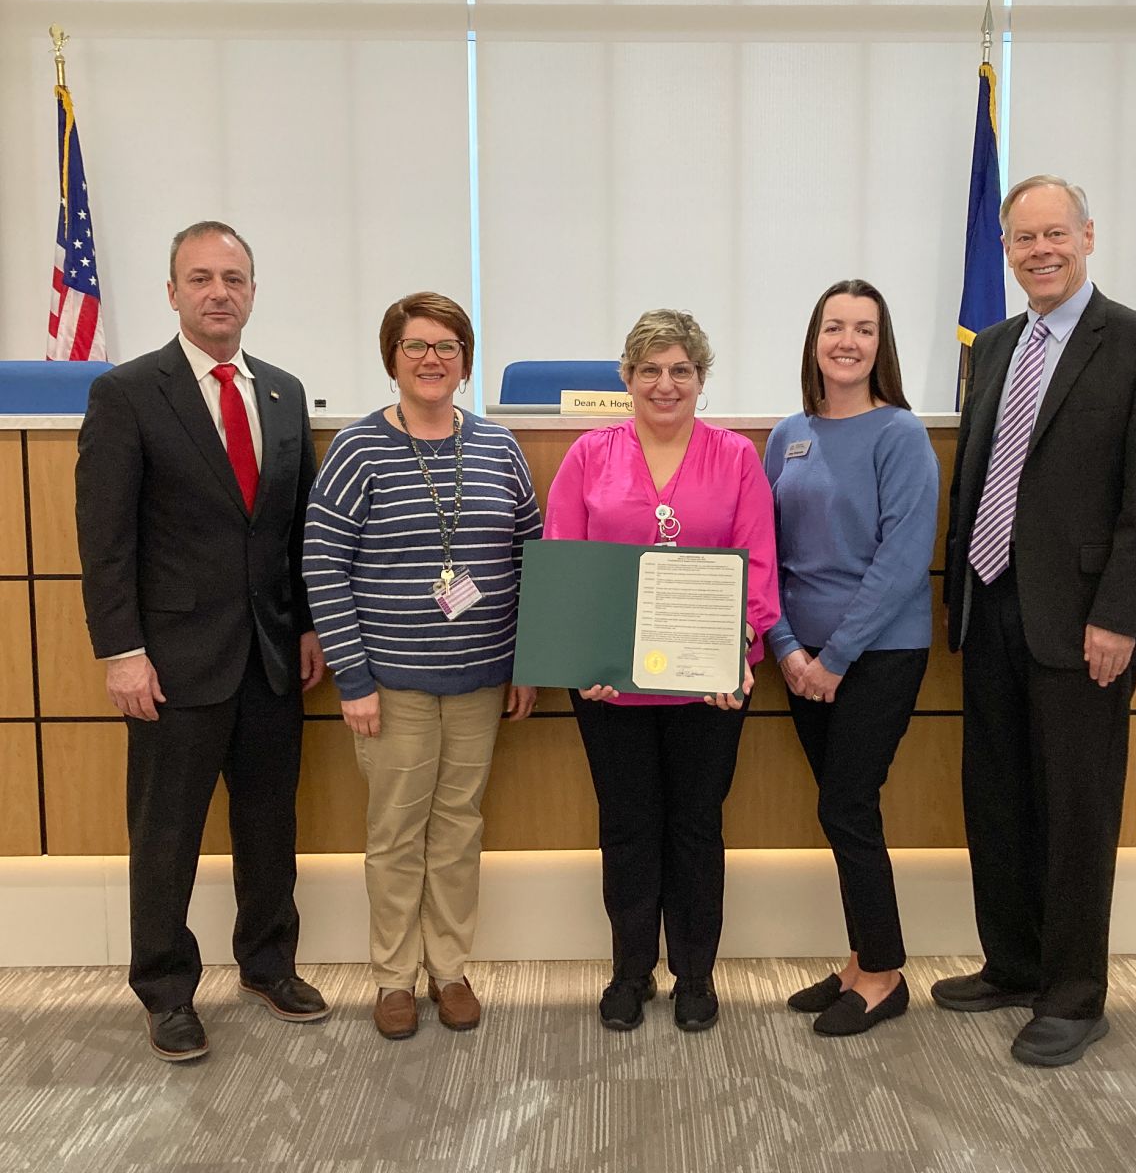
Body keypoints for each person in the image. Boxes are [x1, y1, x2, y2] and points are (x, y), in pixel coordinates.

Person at [935, 175, 1136, 1066]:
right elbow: (979, 477)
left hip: (1084, 621)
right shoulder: (998, 343)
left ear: (1087, 235)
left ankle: (1075, 994)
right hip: (991, 601)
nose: (1038, 251)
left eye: (1054, 234)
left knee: (1077, 808)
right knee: (997, 795)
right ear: (1004, 250)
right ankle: (1012, 962)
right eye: (1021, 239)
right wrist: (957, 598)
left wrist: (1119, 615)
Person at [75, 221, 328, 1063]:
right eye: (200, 278)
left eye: (234, 278)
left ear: (253, 292)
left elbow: (298, 535)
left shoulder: (287, 394)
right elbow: (104, 538)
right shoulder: (127, 393)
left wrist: (310, 629)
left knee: (268, 827)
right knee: (166, 834)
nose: (218, 292)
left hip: (270, 655)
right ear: (173, 291)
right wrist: (121, 651)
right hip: (171, 663)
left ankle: (266, 963)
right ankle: (165, 990)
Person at [303, 292, 541, 1039]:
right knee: (397, 834)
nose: (432, 359)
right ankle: (393, 977)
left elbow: (531, 557)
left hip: (480, 682)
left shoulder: (498, 447)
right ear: (392, 358)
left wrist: (527, 661)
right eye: (416, 346)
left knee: (459, 828)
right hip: (391, 687)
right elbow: (322, 564)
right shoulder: (357, 449)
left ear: (465, 361)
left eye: (446, 346)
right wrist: (353, 679)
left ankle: (450, 969)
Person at [544, 309, 779, 1033]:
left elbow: (759, 566)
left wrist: (732, 651)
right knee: (627, 827)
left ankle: (696, 976)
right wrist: (585, 657)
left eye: (680, 369)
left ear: (701, 379)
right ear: (626, 378)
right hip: (611, 687)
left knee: (696, 828)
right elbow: (566, 563)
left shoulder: (736, 457)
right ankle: (629, 972)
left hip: (706, 685)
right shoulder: (589, 454)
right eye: (649, 369)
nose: (664, 383)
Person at [765, 280, 938, 1037]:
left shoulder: (899, 433)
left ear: (880, 344)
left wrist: (831, 657)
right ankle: (859, 960)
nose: (846, 340)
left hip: (875, 656)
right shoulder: (787, 435)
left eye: (863, 329)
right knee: (839, 809)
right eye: (833, 326)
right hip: (799, 659)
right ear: (812, 340)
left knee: (847, 804)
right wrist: (785, 649)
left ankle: (886, 973)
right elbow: (763, 552)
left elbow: (902, 560)